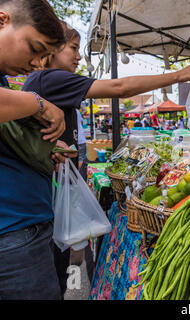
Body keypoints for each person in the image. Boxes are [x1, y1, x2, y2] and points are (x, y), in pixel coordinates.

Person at [22, 20, 190, 297]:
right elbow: (120, 87)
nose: (78, 56)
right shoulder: (49, 79)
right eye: (73, 48)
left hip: (49, 187)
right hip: (46, 191)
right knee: (53, 268)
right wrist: (178, 76)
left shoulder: (45, 82)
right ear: (51, 48)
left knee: (59, 262)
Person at [0, 0, 74, 300]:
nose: (35, 64)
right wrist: (39, 103)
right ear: (2, 20)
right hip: (12, 236)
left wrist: (44, 147)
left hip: (23, 231)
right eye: (34, 48)